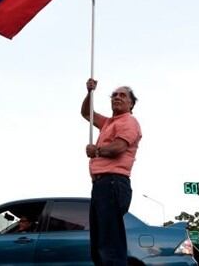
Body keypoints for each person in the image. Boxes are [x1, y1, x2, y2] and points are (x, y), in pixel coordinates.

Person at [80, 78, 142, 266]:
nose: (117, 97)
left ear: (131, 104)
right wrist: (90, 92)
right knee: (100, 242)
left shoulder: (129, 121)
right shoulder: (108, 123)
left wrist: (96, 151)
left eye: (122, 95)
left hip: (113, 183)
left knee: (110, 244)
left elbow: (118, 148)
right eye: (114, 95)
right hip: (101, 185)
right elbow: (86, 113)